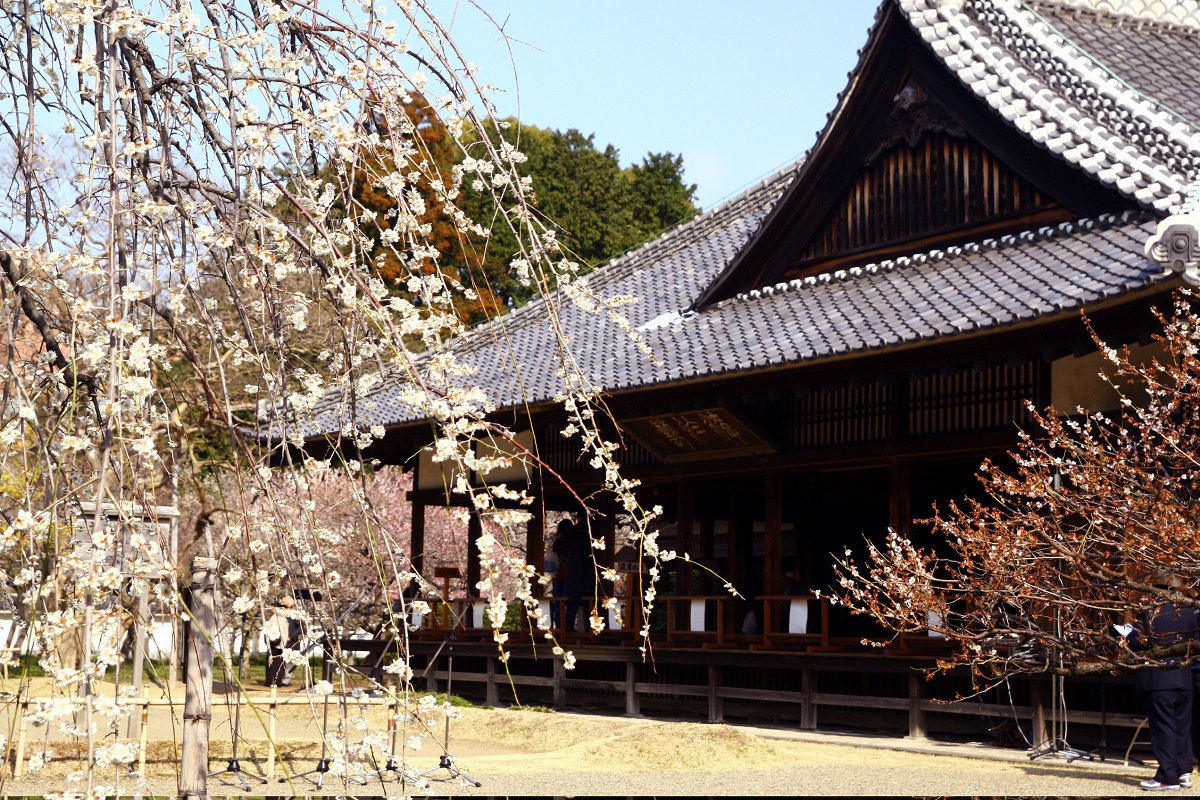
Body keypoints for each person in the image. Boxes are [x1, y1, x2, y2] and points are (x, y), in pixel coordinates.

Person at [1123, 592, 1199, 791]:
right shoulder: (1190, 610)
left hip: (1159, 677)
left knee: (1163, 728)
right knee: (1182, 727)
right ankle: (1183, 772)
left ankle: (1167, 776)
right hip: (1183, 675)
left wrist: (1125, 633)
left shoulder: (1151, 610)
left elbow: (1137, 641)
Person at [263, 595, 303, 687]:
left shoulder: (292, 615)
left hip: (284, 643)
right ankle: (278, 681)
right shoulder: (279, 617)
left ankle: (279, 681)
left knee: (281, 663)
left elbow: (300, 628)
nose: (282, 604)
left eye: (283, 603)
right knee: (279, 663)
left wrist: (291, 637)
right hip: (281, 643)